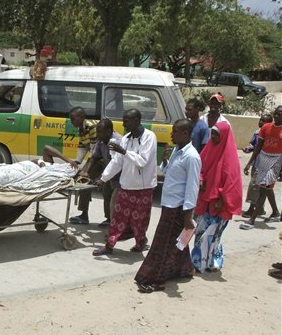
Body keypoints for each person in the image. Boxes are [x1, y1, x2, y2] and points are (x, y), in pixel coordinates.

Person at [134, 119, 201, 293]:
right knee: (177, 243)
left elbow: (192, 187)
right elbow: (170, 173)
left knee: (164, 244)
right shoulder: (177, 151)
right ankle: (185, 269)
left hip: (178, 207)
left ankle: (157, 280)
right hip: (168, 202)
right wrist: (165, 161)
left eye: (176, 131)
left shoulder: (192, 156)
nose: (172, 134)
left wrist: (188, 215)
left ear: (186, 134)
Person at [93, 109, 158, 256]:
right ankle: (109, 246)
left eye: (126, 121)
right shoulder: (126, 138)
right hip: (126, 187)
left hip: (143, 188)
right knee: (117, 218)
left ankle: (141, 242)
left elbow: (142, 161)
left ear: (136, 121)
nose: (123, 124)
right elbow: (117, 162)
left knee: (139, 222)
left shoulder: (149, 137)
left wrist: (124, 152)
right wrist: (103, 178)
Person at [191, 122, 242, 272]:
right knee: (200, 232)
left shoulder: (230, 157)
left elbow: (233, 181)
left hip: (218, 203)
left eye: (216, 134)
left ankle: (209, 261)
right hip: (204, 199)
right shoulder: (208, 149)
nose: (212, 137)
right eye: (212, 133)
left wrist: (222, 200)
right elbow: (199, 167)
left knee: (212, 235)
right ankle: (198, 262)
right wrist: (200, 180)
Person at [69, 119, 122, 227]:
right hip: (106, 166)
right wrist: (85, 172)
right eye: (97, 131)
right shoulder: (101, 140)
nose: (97, 134)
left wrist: (101, 178)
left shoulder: (117, 141)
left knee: (109, 194)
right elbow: (94, 158)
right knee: (84, 181)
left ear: (108, 131)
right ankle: (84, 215)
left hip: (118, 172)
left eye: (99, 132)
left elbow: (115, 164)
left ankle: (111, 220)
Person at [240, 106, 282, 229]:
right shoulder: (266, 128)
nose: (277, 116)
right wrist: (249, 163)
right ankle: (275, 212)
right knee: (266, 188)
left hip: (276, 161)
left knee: (263, 188)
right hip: (263, 159)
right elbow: (258, 147)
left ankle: (251, 220)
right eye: (276, 114)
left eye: (280, 114)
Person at [241, 114, 273, 218]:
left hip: (265, 164)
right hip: (256, 163)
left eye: (264, 121)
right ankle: (261, 208)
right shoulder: (256, 133)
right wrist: (247, 149)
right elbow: (253, 145)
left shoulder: (271, 134)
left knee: (254, 186)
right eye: (260, 120)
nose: (261, 123)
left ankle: (251, 209)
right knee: (258, 186)